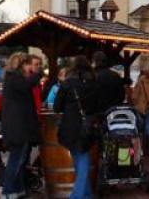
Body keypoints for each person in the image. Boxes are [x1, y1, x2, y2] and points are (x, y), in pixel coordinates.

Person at [54, 56, 98, 199]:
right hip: (88, 126)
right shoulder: (93, 83)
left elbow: (56, 107)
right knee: (82, 157)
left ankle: (77, 195)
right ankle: (86, 194)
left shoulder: (67, 84)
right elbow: (97, 105)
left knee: (80, 158)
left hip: (70, 126)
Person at [0, 52, 41, 199]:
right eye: (29, 64)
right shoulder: (15, 79)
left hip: (19, 127)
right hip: (18, 127)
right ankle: (7, 191)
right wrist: (37, 73)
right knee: (16, 160)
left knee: (20, 159)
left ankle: (17, 189)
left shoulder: (13, 79)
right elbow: (27, 85)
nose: (32, 67)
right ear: (22, 65)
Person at [92, 51, 124, 116]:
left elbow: (90, 95)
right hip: (113, 111)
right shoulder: (115, 75)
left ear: (95, 62)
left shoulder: (93, 76)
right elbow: (121, 94)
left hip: (97, 113)